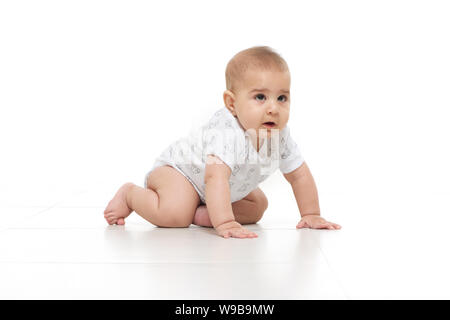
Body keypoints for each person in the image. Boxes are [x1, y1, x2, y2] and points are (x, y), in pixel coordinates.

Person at [104, 46, 341, 239]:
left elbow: (299, 175)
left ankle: (200, 212)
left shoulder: (280, 136)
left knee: (257, 206)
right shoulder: (226, 130)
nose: (273, 108)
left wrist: (311, 214)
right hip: (179, 172)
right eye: (260, 97)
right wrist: (225, 222)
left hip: (213, 189)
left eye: (282, 98)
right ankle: (130, 194)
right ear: (231, 103)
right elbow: (214, 178)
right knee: (175, 216)